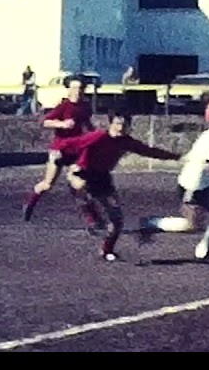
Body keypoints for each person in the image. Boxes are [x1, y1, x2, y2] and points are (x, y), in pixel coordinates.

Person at [57, 109, 181, 262]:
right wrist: (62, 160)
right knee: (83, 192)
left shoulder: (126, 142)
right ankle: (89, 213)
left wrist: (177, 157)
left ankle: (106, 250)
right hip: (84, 174)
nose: (121, 127)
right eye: (117, 123)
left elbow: (149, 151)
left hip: (103, 178)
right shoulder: (98, 136)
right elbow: (68, 144)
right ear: (110, 124)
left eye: (124, 124)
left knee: (117, 220)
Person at [137, 100, 209, 262]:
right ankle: (153, 223)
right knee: (193, 225)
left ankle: (203, 251)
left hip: (204, 184)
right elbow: (207, 164)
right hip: (193, 184)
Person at [23, 76, 99, 229]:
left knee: (79, 185)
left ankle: (92, 220)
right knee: (48, 184)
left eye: (80, 88)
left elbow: (87, 124)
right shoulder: (64, 106)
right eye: (74, 88)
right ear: (69, 89)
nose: (77, 91)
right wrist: (62, 124)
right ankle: (30, 204)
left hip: (76, 151)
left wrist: (95, 136)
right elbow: (45, 121)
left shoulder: (85, 106)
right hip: (59, 150)